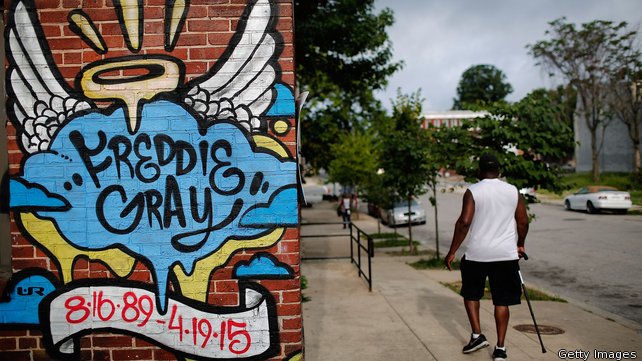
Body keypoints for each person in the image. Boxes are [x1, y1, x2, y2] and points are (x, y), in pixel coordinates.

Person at [445, 153, 529, 361]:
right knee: (502, 301)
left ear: (479, 171)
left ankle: (477, 335)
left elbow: (464, 223)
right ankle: (500, 348)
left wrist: (453, 250)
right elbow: (523, 222)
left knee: (471, 294)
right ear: (499, 171)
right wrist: (520, 244)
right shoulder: (513, 191)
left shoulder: (473, 191)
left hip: (478, 255)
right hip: (505, 255)